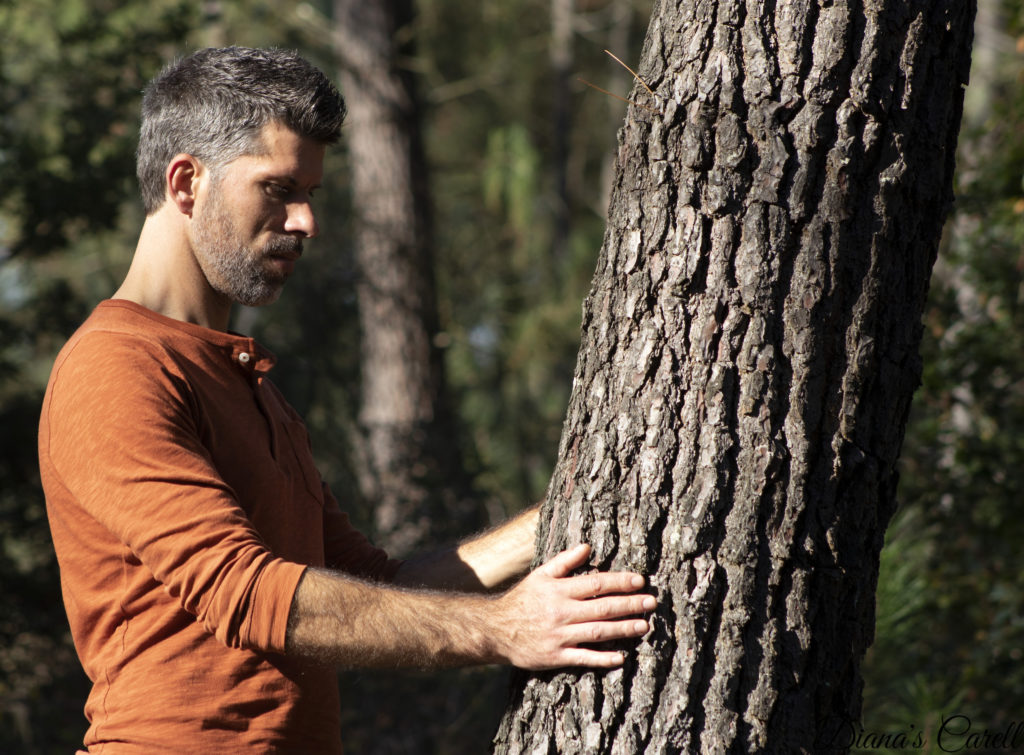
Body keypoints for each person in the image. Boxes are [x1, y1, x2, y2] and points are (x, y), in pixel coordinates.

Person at [38, 46, 655, 753]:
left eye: (311, 194)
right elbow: (247, 592)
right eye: (278, 189)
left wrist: (560, 522)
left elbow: (372, 582)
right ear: (186, 182)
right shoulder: (116, 367)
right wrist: (505, 628)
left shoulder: (248, 381)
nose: (306, 222)